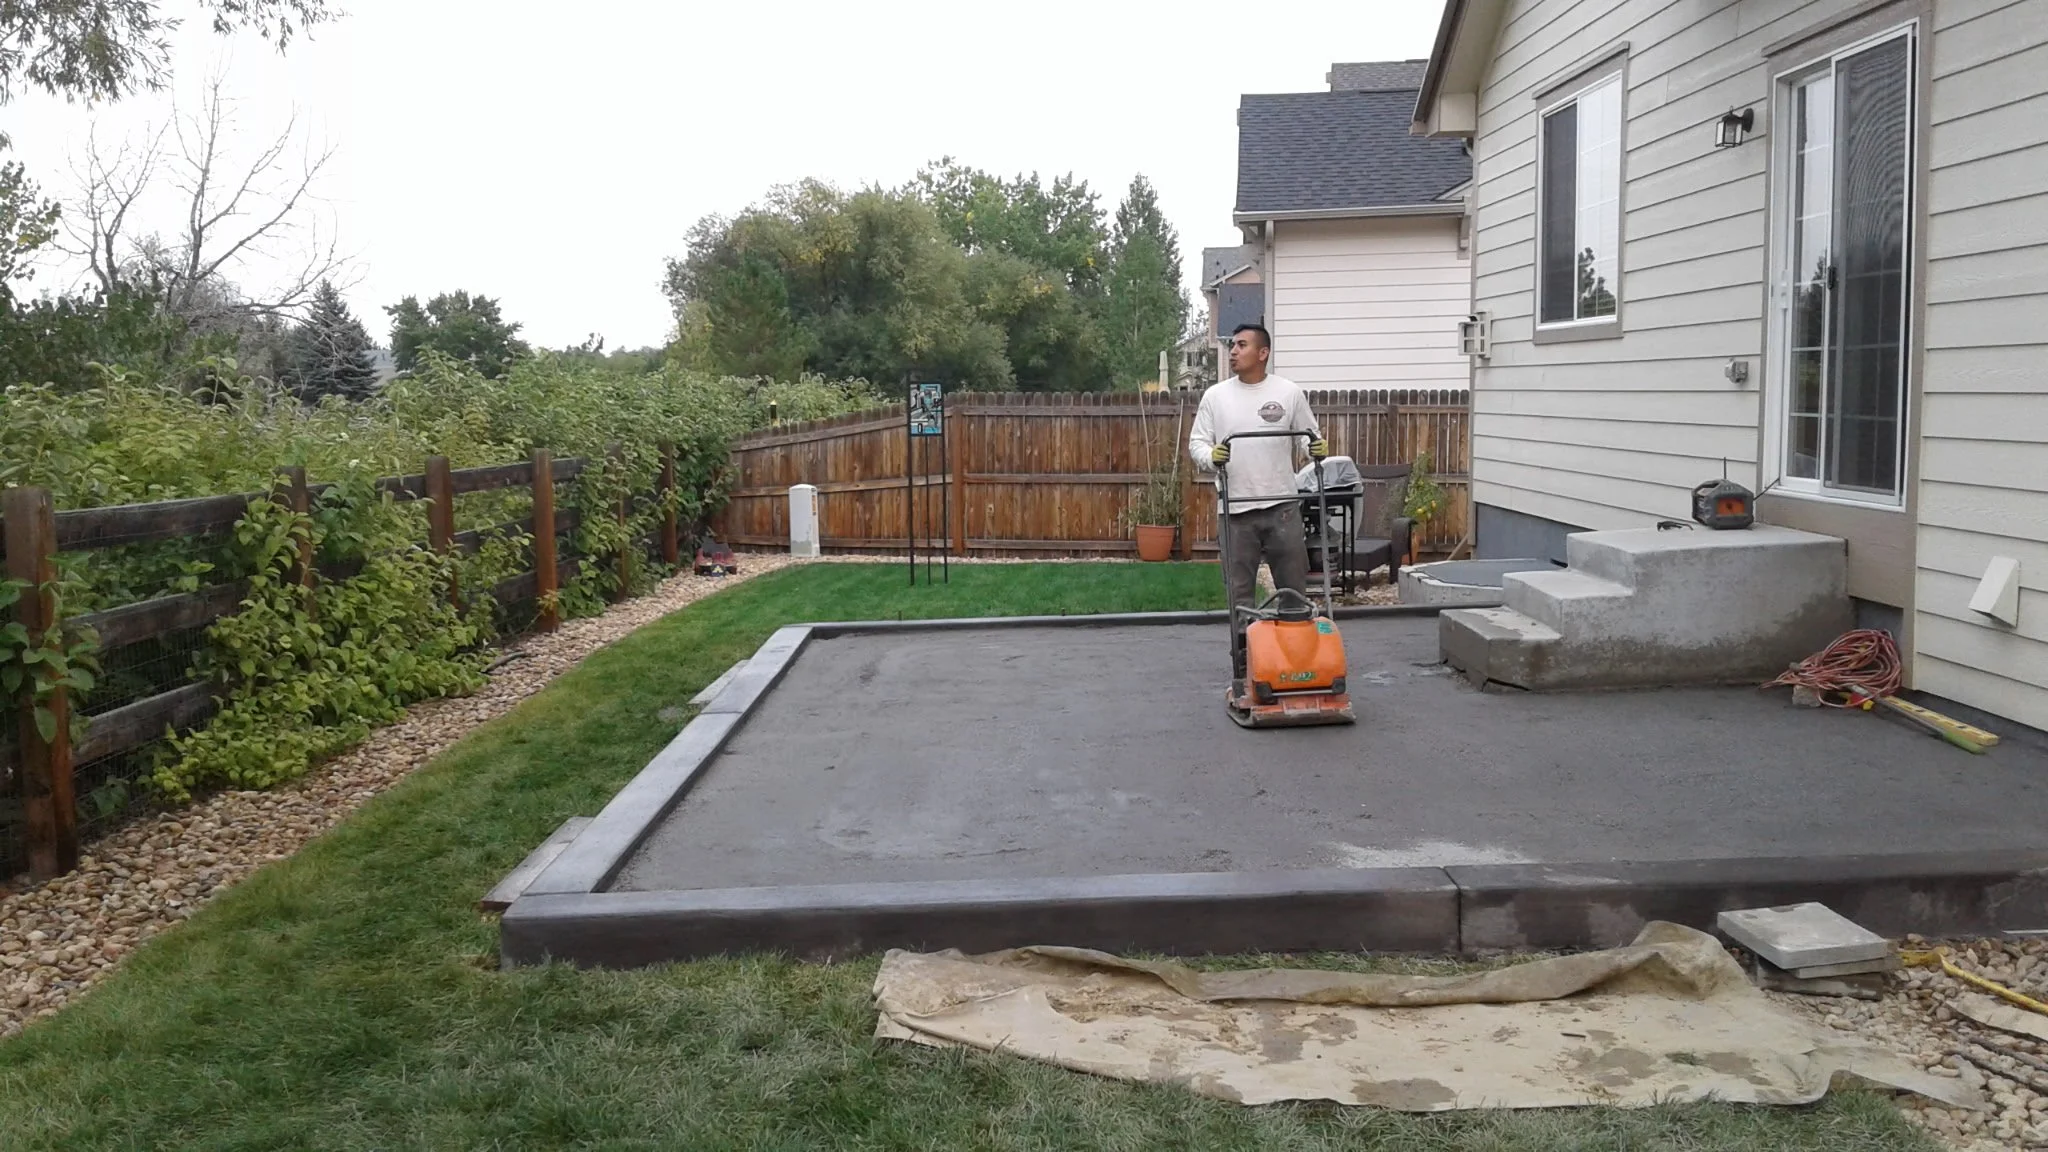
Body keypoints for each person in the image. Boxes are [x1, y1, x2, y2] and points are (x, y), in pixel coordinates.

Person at [1187, 323, 1327, 692]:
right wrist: (1210, 457)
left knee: (1294, 589)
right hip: (1235, 510)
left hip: (1282, 506)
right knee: (1240, 594)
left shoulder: (1288, 392)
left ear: (1262, 353)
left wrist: (1317, 449)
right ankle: (1246, 668)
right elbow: (1197, 443)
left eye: (1242, 345)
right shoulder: (1216, 397)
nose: (1233, 351)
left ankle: (1299, 666)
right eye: (1232, 345)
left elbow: (1310, 437)